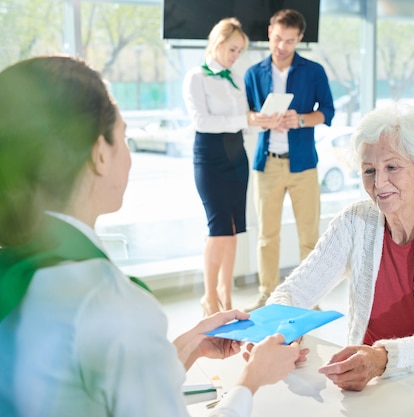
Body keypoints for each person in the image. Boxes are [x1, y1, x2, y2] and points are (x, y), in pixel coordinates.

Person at [0, 55, 306, 417]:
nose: (128, 154)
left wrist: (191, 344)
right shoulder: (110, 301)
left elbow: (100, 384)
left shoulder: (19, 267)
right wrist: (251, 381)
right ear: (100, 153)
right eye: (123, 137)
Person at [267, 103, 414, 391]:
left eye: (392, 167)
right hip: (366, 383)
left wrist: (382, 358)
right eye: (369, 170)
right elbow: (292, 291)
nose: (379, 183)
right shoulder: (355, 221)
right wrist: (280, 330)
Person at [182, 18, 281, 316]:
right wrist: (246, 120)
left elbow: (244, 123)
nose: (236, 56)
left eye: (240, 51)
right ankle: (209, 296)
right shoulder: (196, 77)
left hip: (236, 156)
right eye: (233, 49)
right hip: (210, 157)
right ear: (218, 42)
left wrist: (261, 122)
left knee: (234, 227)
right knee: (219, 228)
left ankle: (226, 294)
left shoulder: (235, 78)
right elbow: (202, 121)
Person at [243, 9, 335, 312]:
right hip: (267, 165)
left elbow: (328, 112)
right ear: (270, 31)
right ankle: (267, 294)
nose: (281, 46)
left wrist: (300, 120)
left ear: (299, 40)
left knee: (309, 237)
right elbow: (245, 116)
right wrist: (261, 120)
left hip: (303, 165)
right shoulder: (253, 73)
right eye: (278, 38)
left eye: (290, 41)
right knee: (267, 236)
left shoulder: (314, 71)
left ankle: (309, 297)